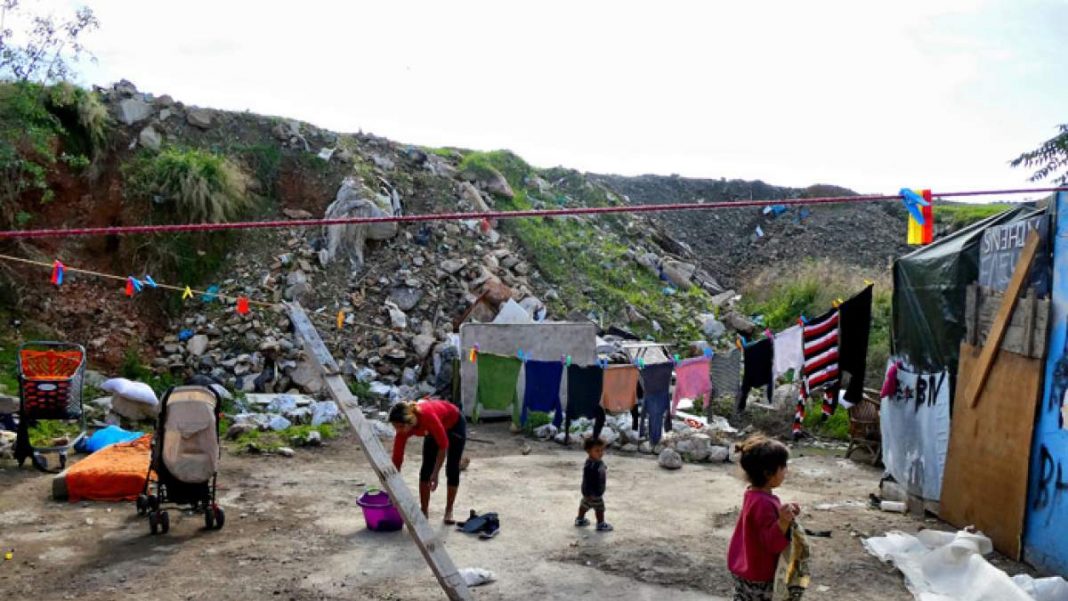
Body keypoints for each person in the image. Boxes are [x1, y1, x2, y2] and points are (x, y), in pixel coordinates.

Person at [728, 434, 800, 601]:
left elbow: (761, 527)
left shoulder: (753, 494)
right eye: (783, 466)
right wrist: (783, 521)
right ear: (768, 473)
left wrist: (786, 516)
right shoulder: (764, 502)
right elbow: (772, 544)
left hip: (745, 566)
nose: (786, 471)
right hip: (759, 574)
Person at [388, 399, 467, 524]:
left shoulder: (427, 417)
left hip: (454, 423)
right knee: (426, 470)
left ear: (410, 420)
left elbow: (443, 446)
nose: (399, 430)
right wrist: (393, 485)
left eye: (401, 427)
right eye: (395, 427)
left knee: (452, 468)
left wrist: (436, 473)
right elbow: (397, 458)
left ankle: (449, 510)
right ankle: (424, 510)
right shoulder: (402, 429)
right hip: (434, 428)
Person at [574, 437, 613, 532]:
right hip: (594, 492)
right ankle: (600, 524)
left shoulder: (594, 461)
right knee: (600, 508)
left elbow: (600, 467)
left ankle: (580, 519)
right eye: (597, 451)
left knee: (584, 505)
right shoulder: (591, 466)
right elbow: (588, 479)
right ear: (588, 451)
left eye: (602, 450)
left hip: (588, 493)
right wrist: (591, 493)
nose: (601, 453)